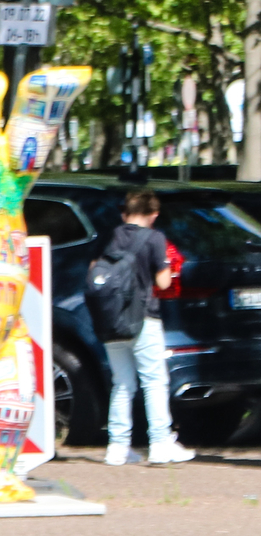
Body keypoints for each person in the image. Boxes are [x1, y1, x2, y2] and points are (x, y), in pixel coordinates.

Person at [96, 189, 187, 465]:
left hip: (111, 319)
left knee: (122, 383)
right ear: (154, 214)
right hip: (143, 318)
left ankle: (117, 447)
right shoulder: (155, 238)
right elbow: (162, 283)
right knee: (154, 381)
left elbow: (95, 269)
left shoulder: (111, 236)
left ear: (127, 212)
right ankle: (160, 442)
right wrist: (170, 269)